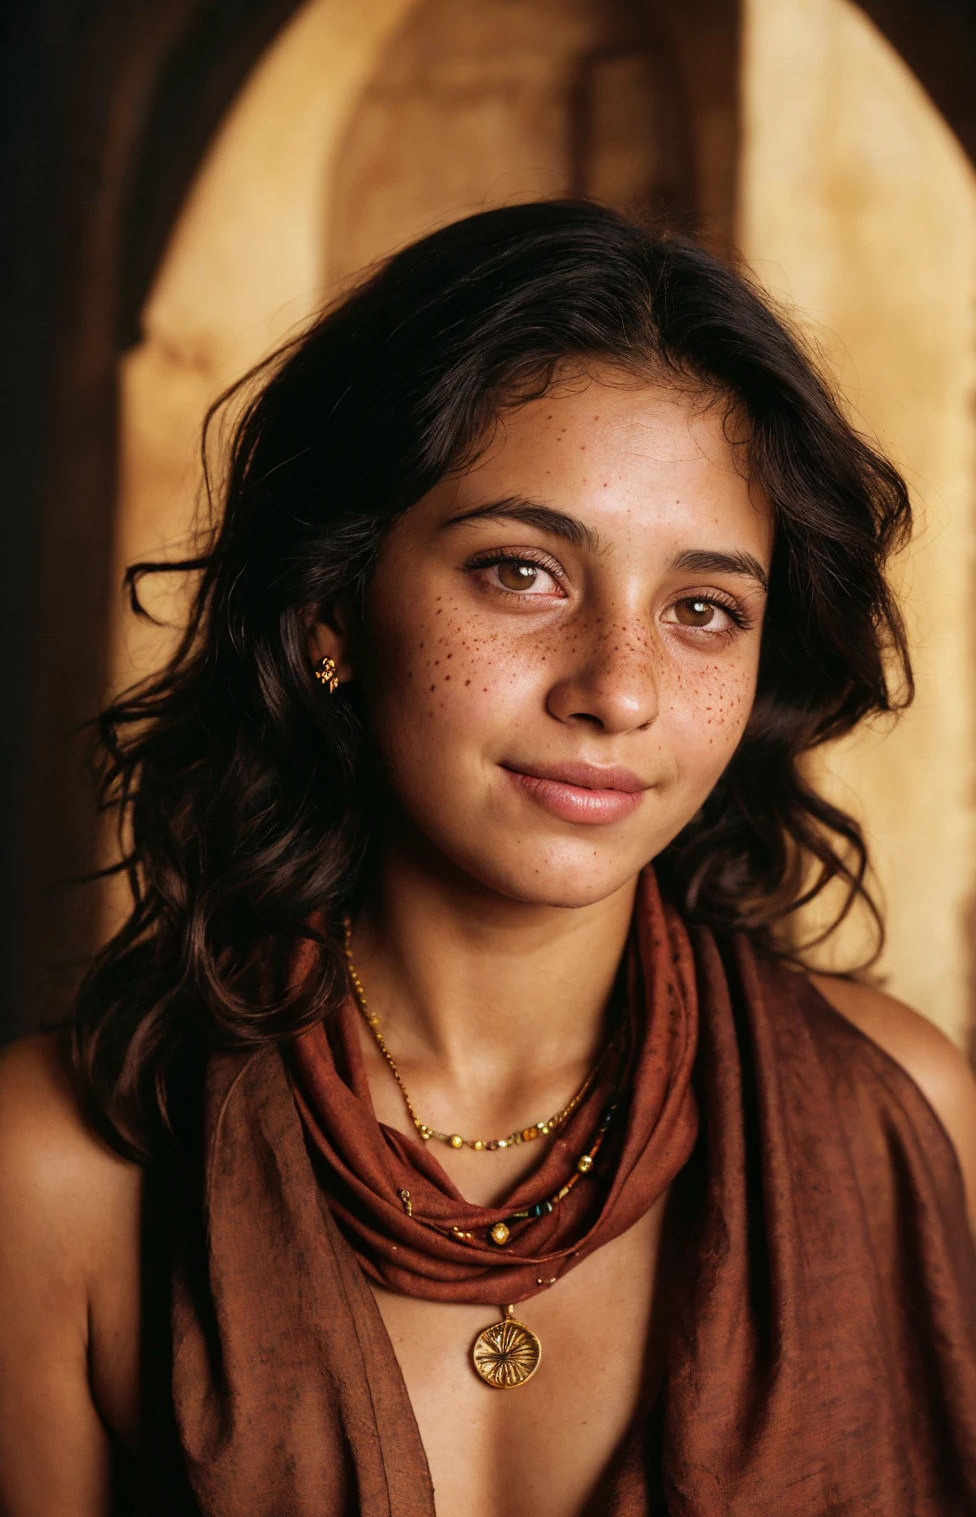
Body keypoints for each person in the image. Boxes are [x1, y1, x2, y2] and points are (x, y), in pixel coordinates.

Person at [1, 201, 975, 1517]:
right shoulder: (58, 1171)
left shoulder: (900, 1117)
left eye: (702, 609)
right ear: (333, 609)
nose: (619, 690)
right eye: (521, 571)